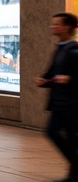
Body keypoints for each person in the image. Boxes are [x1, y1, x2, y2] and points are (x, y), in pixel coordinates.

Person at [35, 12, 78, 182]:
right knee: (52, 132)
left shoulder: (74, 50)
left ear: (66, 27)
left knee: (71, 139)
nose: (53, 27)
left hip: (72, 104)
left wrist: (69, 79)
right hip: (59, 103)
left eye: (56, 24)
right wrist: (44, 80)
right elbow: (52, 74)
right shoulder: (59, 49)